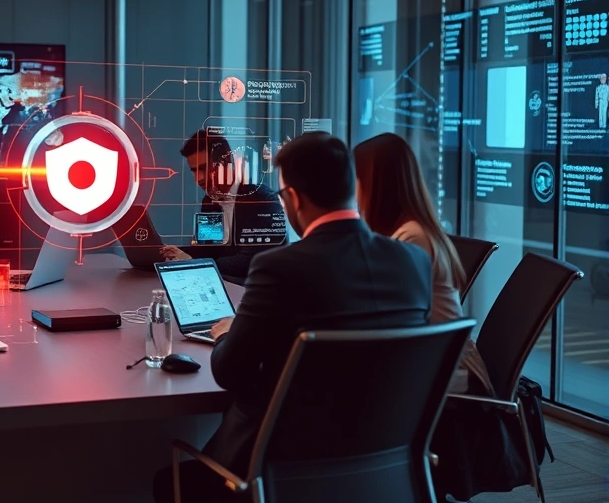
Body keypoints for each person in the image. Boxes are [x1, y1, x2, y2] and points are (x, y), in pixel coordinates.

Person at [154, 133, 433, 503]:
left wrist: (226, 332)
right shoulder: (413, 261)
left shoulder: (279, 268)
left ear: (295, 199)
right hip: (385, 464)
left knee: (167, 480)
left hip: (280, 468)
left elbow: (230, 372)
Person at [353, 132, 466, 324]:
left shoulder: (412, 239)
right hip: (433, 350)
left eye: (354, 178)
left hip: (442, 353)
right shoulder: (413, 231)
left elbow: (386, 312)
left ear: (374, 184)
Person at [160, 129, 287, 280]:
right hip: (229, 286)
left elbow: (248, 262)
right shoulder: (209, 201)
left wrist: (192, 262)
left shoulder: (263, 200)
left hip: (261, 291)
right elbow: (207, 250)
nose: (198, 179)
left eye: (204, 168)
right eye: (194, 171)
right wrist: (172, 253)